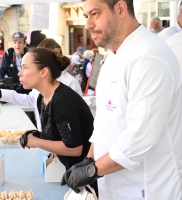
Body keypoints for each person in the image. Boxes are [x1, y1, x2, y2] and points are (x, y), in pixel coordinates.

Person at [61, 0, 182, 199]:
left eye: (95, 14)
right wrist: (89, 159)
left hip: (148, 190)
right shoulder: (113, 56)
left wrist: (91, 171)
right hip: (115, 185)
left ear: (120, 9)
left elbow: (139, 139)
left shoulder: (149, 56)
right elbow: (104, 122)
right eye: (86, 16)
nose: (88, 24)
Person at [18, 47, 97, 193]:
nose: (20, 73)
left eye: (25, 68)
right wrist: (36, 135)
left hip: (88, 177)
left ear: (43, 72)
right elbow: (56, 135)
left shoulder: (62, 101)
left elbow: (74, 148)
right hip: (72, 172)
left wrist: (36, 142)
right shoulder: (43, 97)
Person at [0, 38, 82, 131]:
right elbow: (31, 100)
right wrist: (3, 94)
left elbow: (70, 132)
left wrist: (38, 141)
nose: (20, 73)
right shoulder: (42, 80)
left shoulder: (69, 83)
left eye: (26, 67)